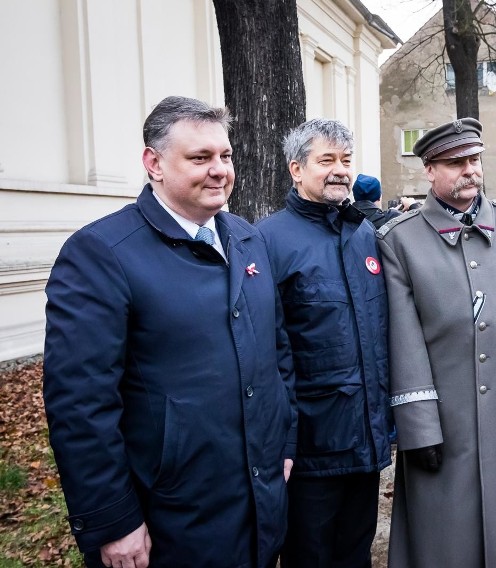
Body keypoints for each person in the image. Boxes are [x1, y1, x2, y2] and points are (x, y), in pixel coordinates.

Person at [42, 96, 295, 568]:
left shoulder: (247, 237)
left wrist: (284, 442)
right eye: (200, 158)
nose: (220, 169)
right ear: (153, 163)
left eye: (226, 155)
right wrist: (113, 521)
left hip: (256, 502)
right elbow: (79, 404)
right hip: (170, 519)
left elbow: (275, 351)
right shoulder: (100, 254)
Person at [377, 118, 496, 567]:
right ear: (429, 170)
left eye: (475, 159)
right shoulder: (399, 241)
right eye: (455, 162)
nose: (470, 170)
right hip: (445, 425)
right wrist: (419, 428)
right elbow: (404, 341)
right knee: (446, 544)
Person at [256, 118, 392, 567]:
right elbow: (267, 353)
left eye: (346, 160)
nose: (339, 170)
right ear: (296, 170)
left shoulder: (363, 234)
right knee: (309, 558)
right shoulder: (268, 241)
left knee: (356, 555)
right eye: (326, 160)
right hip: (311, 449)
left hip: (365, 443)